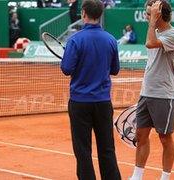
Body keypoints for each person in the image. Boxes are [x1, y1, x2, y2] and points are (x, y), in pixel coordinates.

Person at [60, 0, 121, 179]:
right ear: (100, 14)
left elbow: (66, 69)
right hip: (103, 103)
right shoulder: (110, 39)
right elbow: (115, 70)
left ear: (83, 13)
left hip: (80, 103)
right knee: (107, 149)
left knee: (82, 150)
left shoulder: (75, 40)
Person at [129, 1, 174, 180]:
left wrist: (152, 21)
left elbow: (150, 43)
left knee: (165, 138)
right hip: (146, 92)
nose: (146, 16)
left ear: (158, 15)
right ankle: (137, 176)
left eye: (149, 13)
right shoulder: (156, 31)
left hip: (164, 95)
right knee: (141, 135)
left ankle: (165, 177)